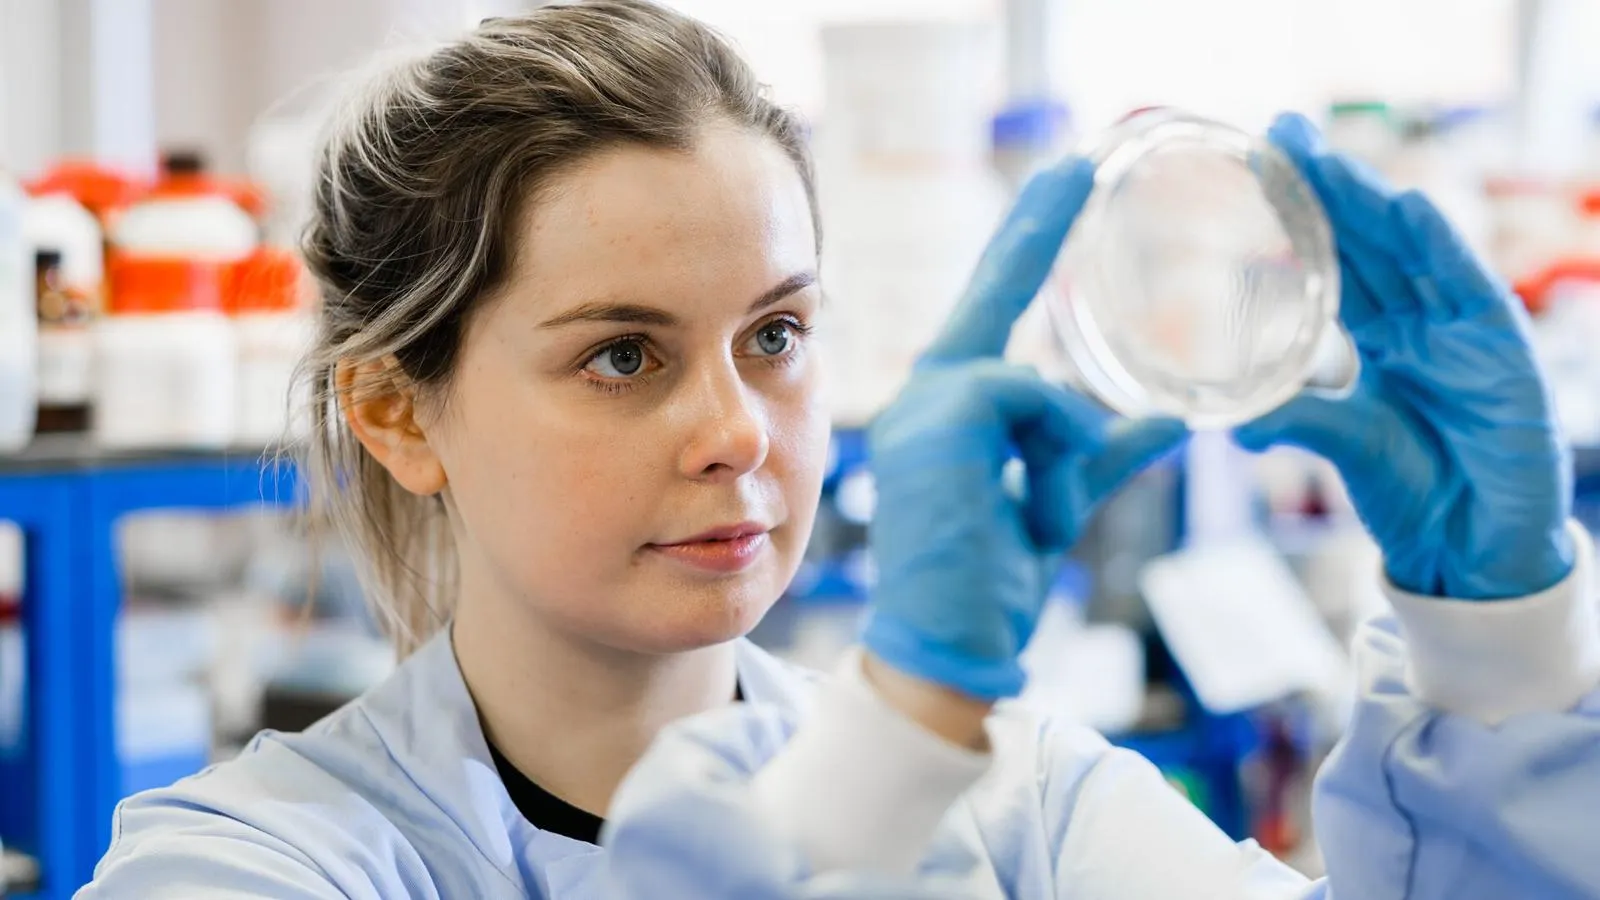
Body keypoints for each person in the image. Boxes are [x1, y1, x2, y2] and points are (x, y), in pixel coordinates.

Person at [79, 2, 1600, 898]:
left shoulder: (1031, 812)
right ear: (398, 412)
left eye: (777, 335)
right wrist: (895, 748)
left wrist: (1502, 657)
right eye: (623, 355)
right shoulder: (247, 862)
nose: (738, 430)